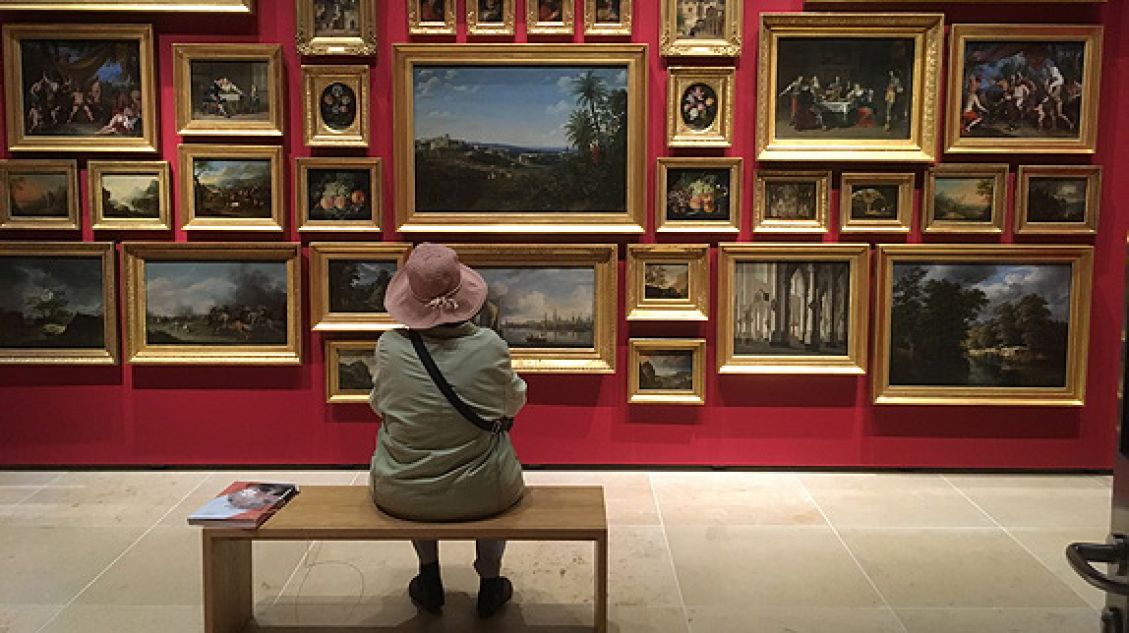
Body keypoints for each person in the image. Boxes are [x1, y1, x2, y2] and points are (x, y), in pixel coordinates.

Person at [369, 242, 527, 619]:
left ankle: (428, 576)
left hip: (402, 489)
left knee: (413, 456)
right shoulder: (490, 346)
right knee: (493, 457)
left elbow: (379, 405)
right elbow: (513, 403)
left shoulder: (389, 347)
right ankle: (490, 582)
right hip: (484, 491)